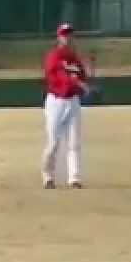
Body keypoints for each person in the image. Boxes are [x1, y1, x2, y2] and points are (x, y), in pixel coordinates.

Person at [41, 24, 91, 189]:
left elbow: (82, 75)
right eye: (64, 35)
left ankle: (74, 178)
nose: (67, 37)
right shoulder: (53, 56)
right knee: (53, 143)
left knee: (74, 142)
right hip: (56, 102)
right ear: (59, 37)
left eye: (70, 34)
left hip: (72, 101)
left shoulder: (74, 58)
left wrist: (82, 84)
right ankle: (48, 176)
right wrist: (77, 83)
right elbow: (57, 77)